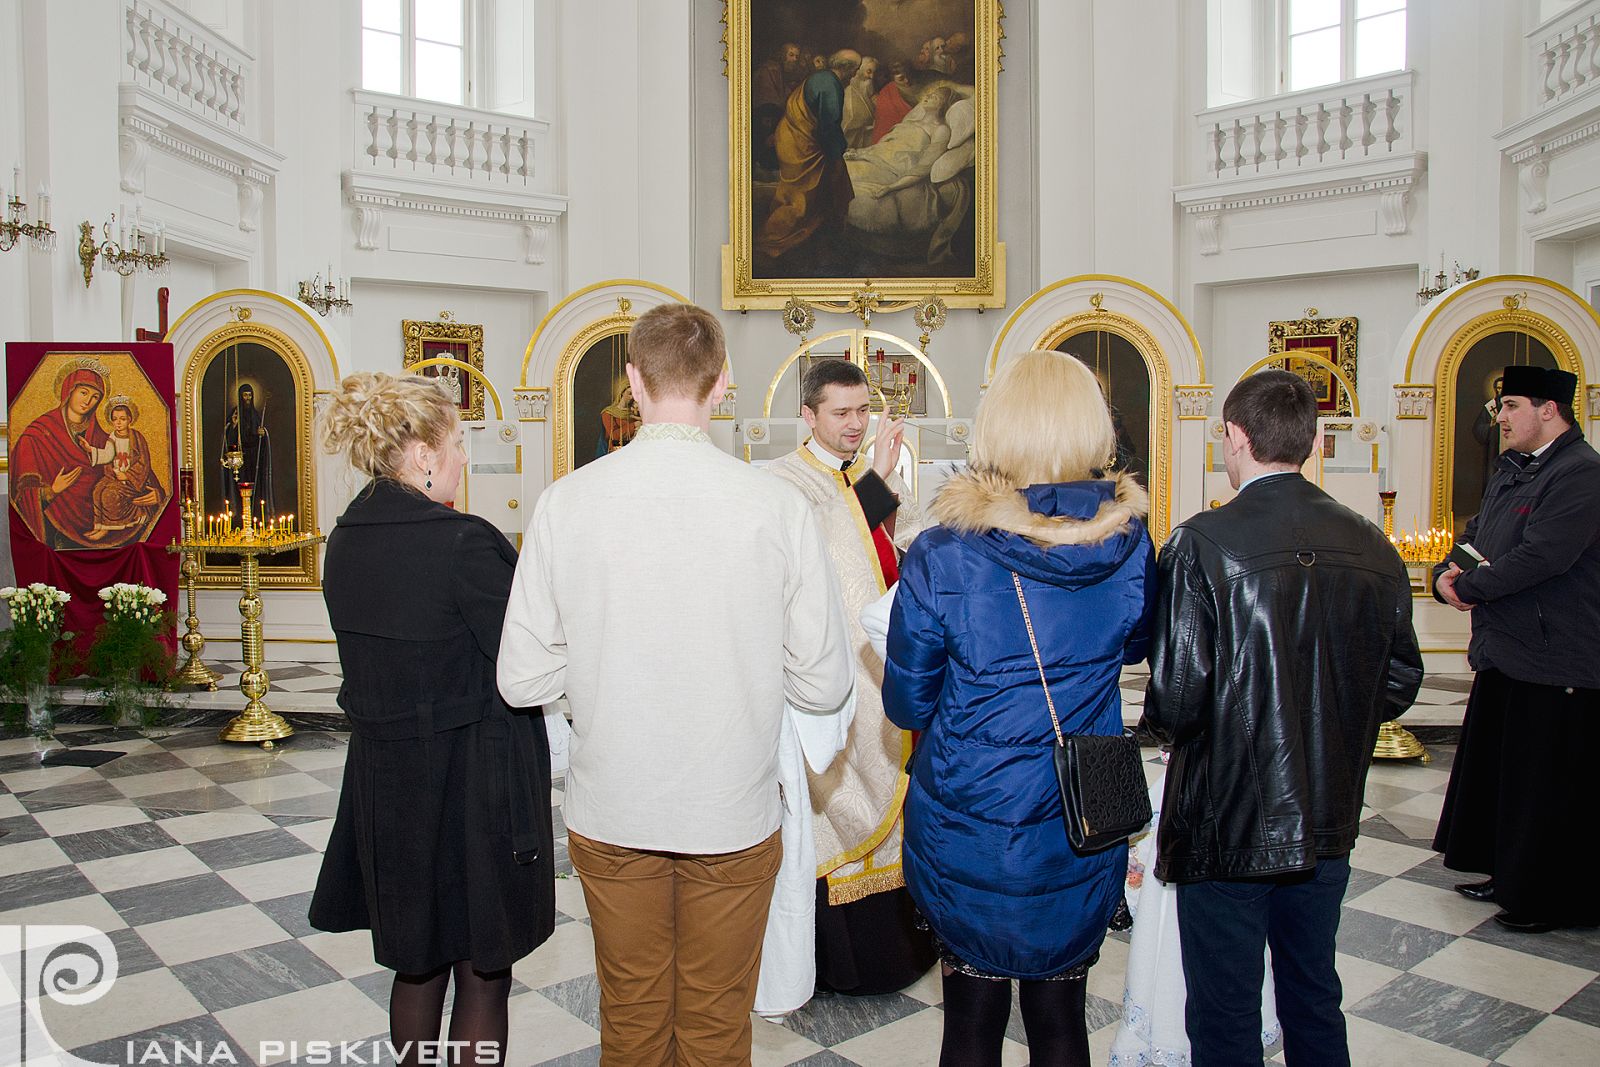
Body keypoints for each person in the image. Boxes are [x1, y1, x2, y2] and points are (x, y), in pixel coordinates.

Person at [497, 302, 854, 1066]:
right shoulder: (776, 505)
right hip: (731, 808)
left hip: (614, 806)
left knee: (629, 1017)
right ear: (723, 383)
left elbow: (521, 675)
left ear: (632, 379)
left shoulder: (566, 501)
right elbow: (824, 686)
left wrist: (592, 663)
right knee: (718, 1023)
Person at [1143, 369, 1423, 1067]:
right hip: (1328, 813)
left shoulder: (1199, 543)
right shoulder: (1374, 545)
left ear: (1233, 437)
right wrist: (1329, 724)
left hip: (1226, 816)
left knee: (1225, 1010)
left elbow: (1177, 697)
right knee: (1312, 995)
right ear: (1316, 439)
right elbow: (1399, 679)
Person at [883, 349, 1155, 1067]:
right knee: (1062, 1014)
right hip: (1079, 812)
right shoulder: (1129, 542)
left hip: (970, 811)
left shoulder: (945, 551)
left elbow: (908, 697)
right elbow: (1134, 644)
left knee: (971, 1016)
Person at [309, 372, 555, 1067]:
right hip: (475, 782)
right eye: (458, 442)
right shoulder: (463, 543)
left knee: (417, 964)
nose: (463, 459)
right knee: (483, 969)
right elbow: (525, 657)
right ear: (420, 451)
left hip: (389, 782)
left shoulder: (345, 538)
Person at [766, 359, 936, 997]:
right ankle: (832, 965)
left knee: (893, 799)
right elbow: (818, 558)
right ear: (808, 416)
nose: (855, 424)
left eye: (863, 411)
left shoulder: (865, 476)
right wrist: (878, 486)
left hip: (881, 674)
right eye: (841, 413)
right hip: (826, 683)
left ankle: (893, 954)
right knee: (831, 806)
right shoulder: (786, 483)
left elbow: (892, 556)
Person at [1432, 364, 1600, 933]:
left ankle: (1549, 896)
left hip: (1557, 657)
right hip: (1508, 651)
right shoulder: (1513, 470)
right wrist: (1443, 573)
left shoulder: (1580, 474)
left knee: (1548, 783)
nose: (1499, 418)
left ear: (1549, 409)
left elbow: (1543, 556)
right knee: (1510, 776)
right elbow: (1474, 535)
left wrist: (1470, 586)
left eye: (1510, 407)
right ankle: (1509, 873)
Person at [756, 49, 860, 260]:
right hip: (802, 146)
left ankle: (817, 240)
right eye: (855, 71)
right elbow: (829, 126)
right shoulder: (831, 85)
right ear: (846, 69)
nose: (854, 76)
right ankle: (770, 241)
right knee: (802, 197)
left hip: (792, 139)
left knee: (813, 190)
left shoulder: (821, 77)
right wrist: (838, 153)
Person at [10, 358, 112, 549]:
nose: (88, 401)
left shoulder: (103, 439)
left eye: (95, 397)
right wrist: (51, 491)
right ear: (69, 390)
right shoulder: (37, 434)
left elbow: (125, 466)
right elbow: (21, 492)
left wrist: (154, 493)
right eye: (83, 392)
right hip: (55, 530)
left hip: (98, 531)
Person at [84, 396, 168, 544]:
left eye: (122, 419)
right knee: (97, 490)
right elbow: (107, 455)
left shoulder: (136, 437)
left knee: (109, 494)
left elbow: (144, 462)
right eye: (115, 419)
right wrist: (90, 449)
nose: (118, 422)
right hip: (115, 475)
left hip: (133, 480)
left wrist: (127, 475)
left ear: (130, 419)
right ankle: (99, 525)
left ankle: (107, 527)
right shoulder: (112, 437)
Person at [222, 382, 273, 523]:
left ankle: (253, 515)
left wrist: (262, 433)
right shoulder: (235, 413)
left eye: (250, 395)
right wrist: (233, 425)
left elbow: (260, 435)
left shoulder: (255, 414)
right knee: (239, 488)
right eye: (245, 395)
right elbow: (228, 437)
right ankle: (240, 516)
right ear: (240, 396)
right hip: (240, 459)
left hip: (253, 457)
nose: (248, 398)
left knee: (254, 486)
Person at [842, 55, 879, 149]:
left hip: (866, 132)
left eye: (874, 72)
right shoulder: (850, 88)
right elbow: (851, 116)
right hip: (851, 133)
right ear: (861, 69)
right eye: (869, 72)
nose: (872, 76)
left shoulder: (868, 84)